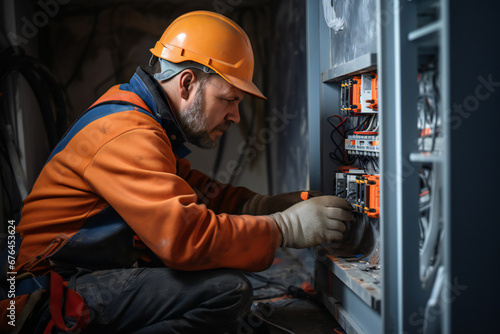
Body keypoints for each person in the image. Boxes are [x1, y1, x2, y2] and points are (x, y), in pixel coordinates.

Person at [5, 10, 354, 333]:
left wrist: (265, 206)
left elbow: (197, 194)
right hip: (40, 299)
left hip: (67, 278)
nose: (234, 116)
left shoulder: (138, 117)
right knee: (225, 292)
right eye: (229, 99)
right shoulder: (128, 133)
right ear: (187, 83)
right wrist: (287, 227)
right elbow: (182, 237)